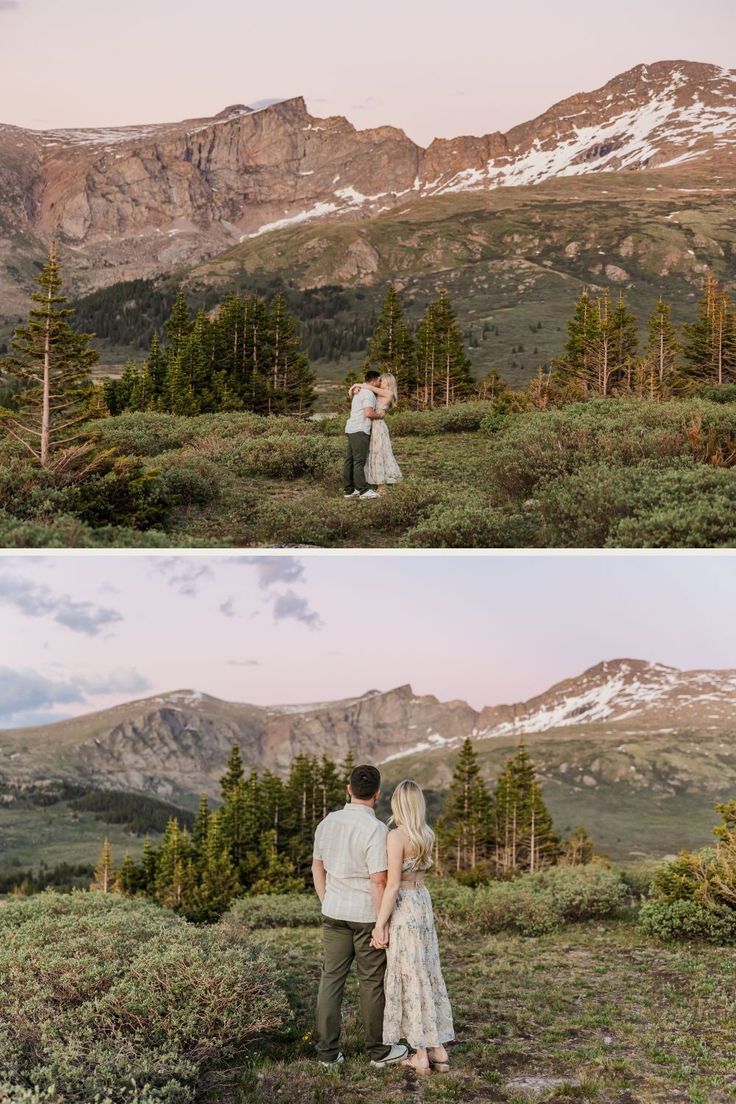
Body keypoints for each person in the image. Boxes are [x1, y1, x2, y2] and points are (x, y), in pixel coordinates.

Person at [312, 764, 409, 1069]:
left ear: (348, 789)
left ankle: (327, 1054)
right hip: (367, 915)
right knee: (371, 983)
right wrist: (382, 922)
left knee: (330, 981)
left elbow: (317, 868)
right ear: (378, 794)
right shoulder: (377, 829)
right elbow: (378, 881)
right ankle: (379, 1052)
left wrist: (327, 900)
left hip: (334, 912)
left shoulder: (327, 823)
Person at [371, 779, 454, 1074]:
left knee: (410, 975)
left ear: (398, 804)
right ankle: (438, 1049)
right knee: (427, 972)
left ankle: (420, 1054)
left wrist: (380, 924)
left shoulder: (396, 836)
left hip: (405, 906)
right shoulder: (426, 835)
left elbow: (392, 885)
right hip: (422, 902)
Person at [349, 372, 403, 491]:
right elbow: (368, 390)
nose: (379, 382)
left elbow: (370, 386)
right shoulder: (375, 392)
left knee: (379, 453)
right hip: (370, 425)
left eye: (382, 381)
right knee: (370, 453)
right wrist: (357, 388)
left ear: (388, 382)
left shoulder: (389, 393)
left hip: (378, 426)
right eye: (379, 380)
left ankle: (381, 485)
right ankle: (371, 480)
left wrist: (357, 384)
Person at [343, 371, 385, 501]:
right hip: (360, 429)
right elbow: (368, 413)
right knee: (359, 461)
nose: (380, 384)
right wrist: (379, 415)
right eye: (379, 381)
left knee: (350, 460)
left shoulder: (360, 391)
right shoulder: (368, 394)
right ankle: (363, 490)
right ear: (375, 380)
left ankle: (349, 490)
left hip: (351, 428)